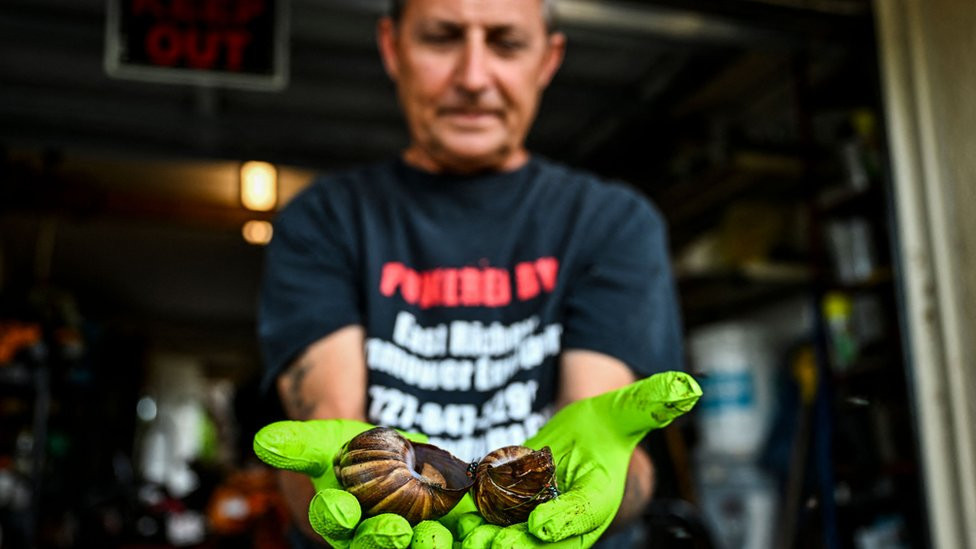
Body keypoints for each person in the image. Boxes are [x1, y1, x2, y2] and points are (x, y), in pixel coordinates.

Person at [255, 0, 689, 547]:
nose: (474, 77)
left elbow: (594, 413)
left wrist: (606, 458)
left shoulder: (613, 224)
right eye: (442, 38)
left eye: (506, 44)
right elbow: (329, 425)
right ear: (392, 48)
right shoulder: (324, 220)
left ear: (548, 60)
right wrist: (345, 489)